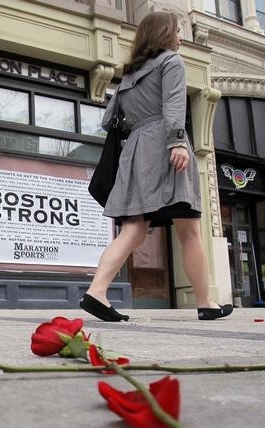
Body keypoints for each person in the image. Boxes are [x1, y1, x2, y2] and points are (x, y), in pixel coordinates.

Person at [80, 11, 232, 322]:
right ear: (164, 33)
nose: (180, 38)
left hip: (136, 150)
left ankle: (97, 290)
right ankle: (206, 302)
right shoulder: (171, 62)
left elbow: (110, 119)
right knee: (189, 228)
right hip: (164, 143)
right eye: (177, 31)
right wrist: (177, 140)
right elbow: (174, 103)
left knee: (134, 228)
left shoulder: (130, 74)